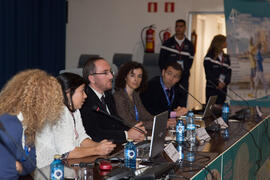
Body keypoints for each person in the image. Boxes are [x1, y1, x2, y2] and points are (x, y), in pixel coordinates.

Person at [35, 73, 116, 168]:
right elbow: (66, 153)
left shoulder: (75, 109)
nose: (85, 96)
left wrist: (100, 146)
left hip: (64, 166)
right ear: (68, 93)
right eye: (82, 91)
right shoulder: (60, 111)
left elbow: (81, 137)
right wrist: (96, 150)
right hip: (47, 170)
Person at [0, 69, 63, 179]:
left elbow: (30, 165)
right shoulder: (9, 123)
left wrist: (19, 167)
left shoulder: (29, 126)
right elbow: (6, 175)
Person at [80, 57, 146, 144]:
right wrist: (127, 135)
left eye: (111, 72)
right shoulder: (85, 100)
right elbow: (94, 134)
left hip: (113, 146)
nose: (111, 76)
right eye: (105, 73)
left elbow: (115, 124)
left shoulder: (107, 95)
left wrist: (134, 132)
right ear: (92, 79)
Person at [159, 19, 194, 107]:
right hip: (169, 79)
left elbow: (189, 63)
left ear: (185, 28)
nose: (178, 28)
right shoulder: (167, 43)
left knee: (182, 103)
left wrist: (182, 74)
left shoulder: (190, 45)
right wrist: (167, 75)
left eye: (181, 26)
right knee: (169, 102)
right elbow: (161, 61)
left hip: (183, 80)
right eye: (177, 26)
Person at [113, 61, 153, 130]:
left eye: (139, 76)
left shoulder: (135, 94)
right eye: (132, 75)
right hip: (127, 134)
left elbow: (145, 115)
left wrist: (159, 121)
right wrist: (154, 124)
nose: (136, 79)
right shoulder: (119, 97)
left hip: (139, 131)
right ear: (125, 77)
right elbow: (129, 123)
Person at [204, 34, 231, 106]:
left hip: (222, 89)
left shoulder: (226, 57)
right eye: (225, 41)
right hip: (212, 88)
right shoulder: (209, 56)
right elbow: (208, 73)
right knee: (211, 111)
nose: (227, 43)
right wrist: (217, 83)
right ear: (220, 42)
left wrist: (225, 83)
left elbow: (229, 73)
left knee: (220, 111)